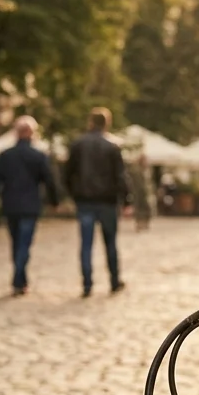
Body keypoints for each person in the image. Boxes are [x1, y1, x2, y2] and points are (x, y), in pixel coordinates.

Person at [0, 115, 58, 296]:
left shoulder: (5, 156)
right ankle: (19, 279)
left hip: (11, 205)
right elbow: (49, 181)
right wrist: (54, 201)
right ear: (32, 133)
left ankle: (19, 280)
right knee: (24, 244)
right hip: (30, 206)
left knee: (16, 243)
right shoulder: (38, 156)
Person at [65, 107, 129, 297]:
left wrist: (74, 194)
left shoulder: (78, 144)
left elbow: (68, 174)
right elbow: (121, 176)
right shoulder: (112, 146)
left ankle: (87, 283)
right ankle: (114, 281)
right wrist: (127, 199)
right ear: (106, 123)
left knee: (86, 244)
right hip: (107, 201)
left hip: (85, 201)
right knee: (110, 243)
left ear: (90, 122)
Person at [127, 153, 153, 232]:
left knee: (144, 208)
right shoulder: (136, 170)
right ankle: (140, 224)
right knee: (140, 208)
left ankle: (143, 224)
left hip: (143, 192)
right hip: (138, 192)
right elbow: (138, 184)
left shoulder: (144, 170)